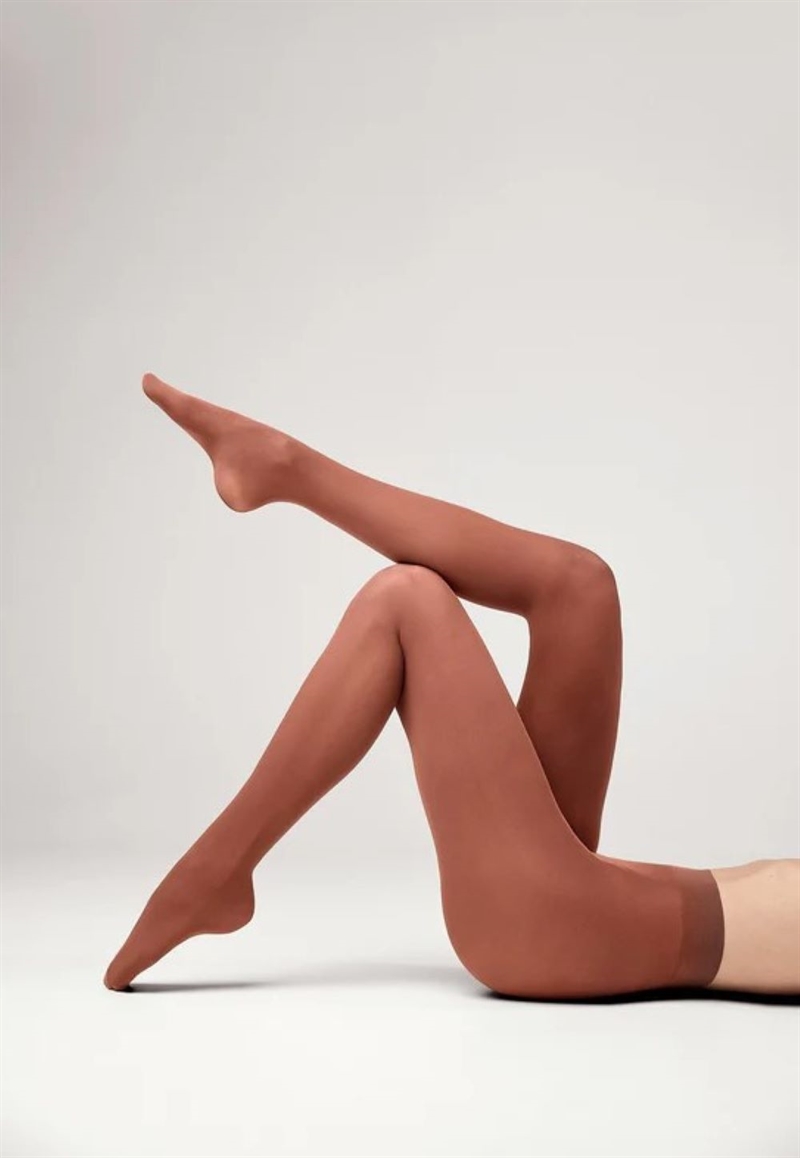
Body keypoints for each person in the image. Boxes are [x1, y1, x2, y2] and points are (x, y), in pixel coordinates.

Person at [103, 373, 800, 998]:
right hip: (589, 892)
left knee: (406, 600)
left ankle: (216, 871)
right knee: (581, 587)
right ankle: (284, 468)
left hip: (554, 923)